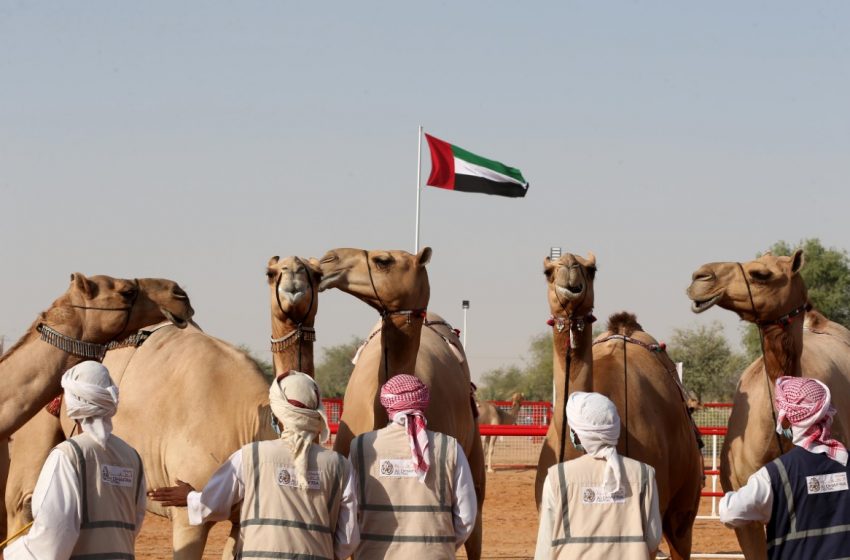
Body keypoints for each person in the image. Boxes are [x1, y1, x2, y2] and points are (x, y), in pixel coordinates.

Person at [147, 370, 359, 559]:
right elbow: (348, 539)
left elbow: (215, 505)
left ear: (277, 412)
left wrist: (189, 498)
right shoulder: (340, 466)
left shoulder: (250, 456)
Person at [5, 361, 146, 559]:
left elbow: (52, 539)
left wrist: (11, 554)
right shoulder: (132, 457)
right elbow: (133, 523)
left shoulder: (68, 456)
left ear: (72, 401)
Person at [719, 376, 850, 558]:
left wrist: (732, 496)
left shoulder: (773, 476)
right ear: (826, 411)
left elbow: (729, 512)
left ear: (787, 418)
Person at [349, 374, 477, 558]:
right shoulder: (450, 448)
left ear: (387, 404)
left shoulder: (360, 447)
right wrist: (440, 545)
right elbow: (466, 516)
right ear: (424, 402)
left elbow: (348, 512)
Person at [534, 391, 662, 560]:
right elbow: (653, 540)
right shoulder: (644, 475)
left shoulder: (557, 478)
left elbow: (545, 549)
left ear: (578, 434)